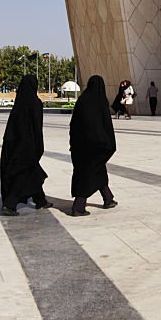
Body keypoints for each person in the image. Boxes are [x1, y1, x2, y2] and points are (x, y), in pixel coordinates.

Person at [0, 75, 51, 216]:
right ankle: (10, 204)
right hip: (28, 146)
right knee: (24, 173)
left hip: (14, 144)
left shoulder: (19, 103)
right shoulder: (35, 103)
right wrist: (38, 146)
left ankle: (40, 200)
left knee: (32, 172)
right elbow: (36, 128)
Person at [69, 75, 117, 216]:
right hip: (96, 146)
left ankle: (108, 198)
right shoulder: (100, 101)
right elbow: (104, 125)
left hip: (80, 146)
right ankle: (79, 205)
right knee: (88, 173)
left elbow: (74, 125)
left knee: (98, 171)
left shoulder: (82, 101)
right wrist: (108, 143)